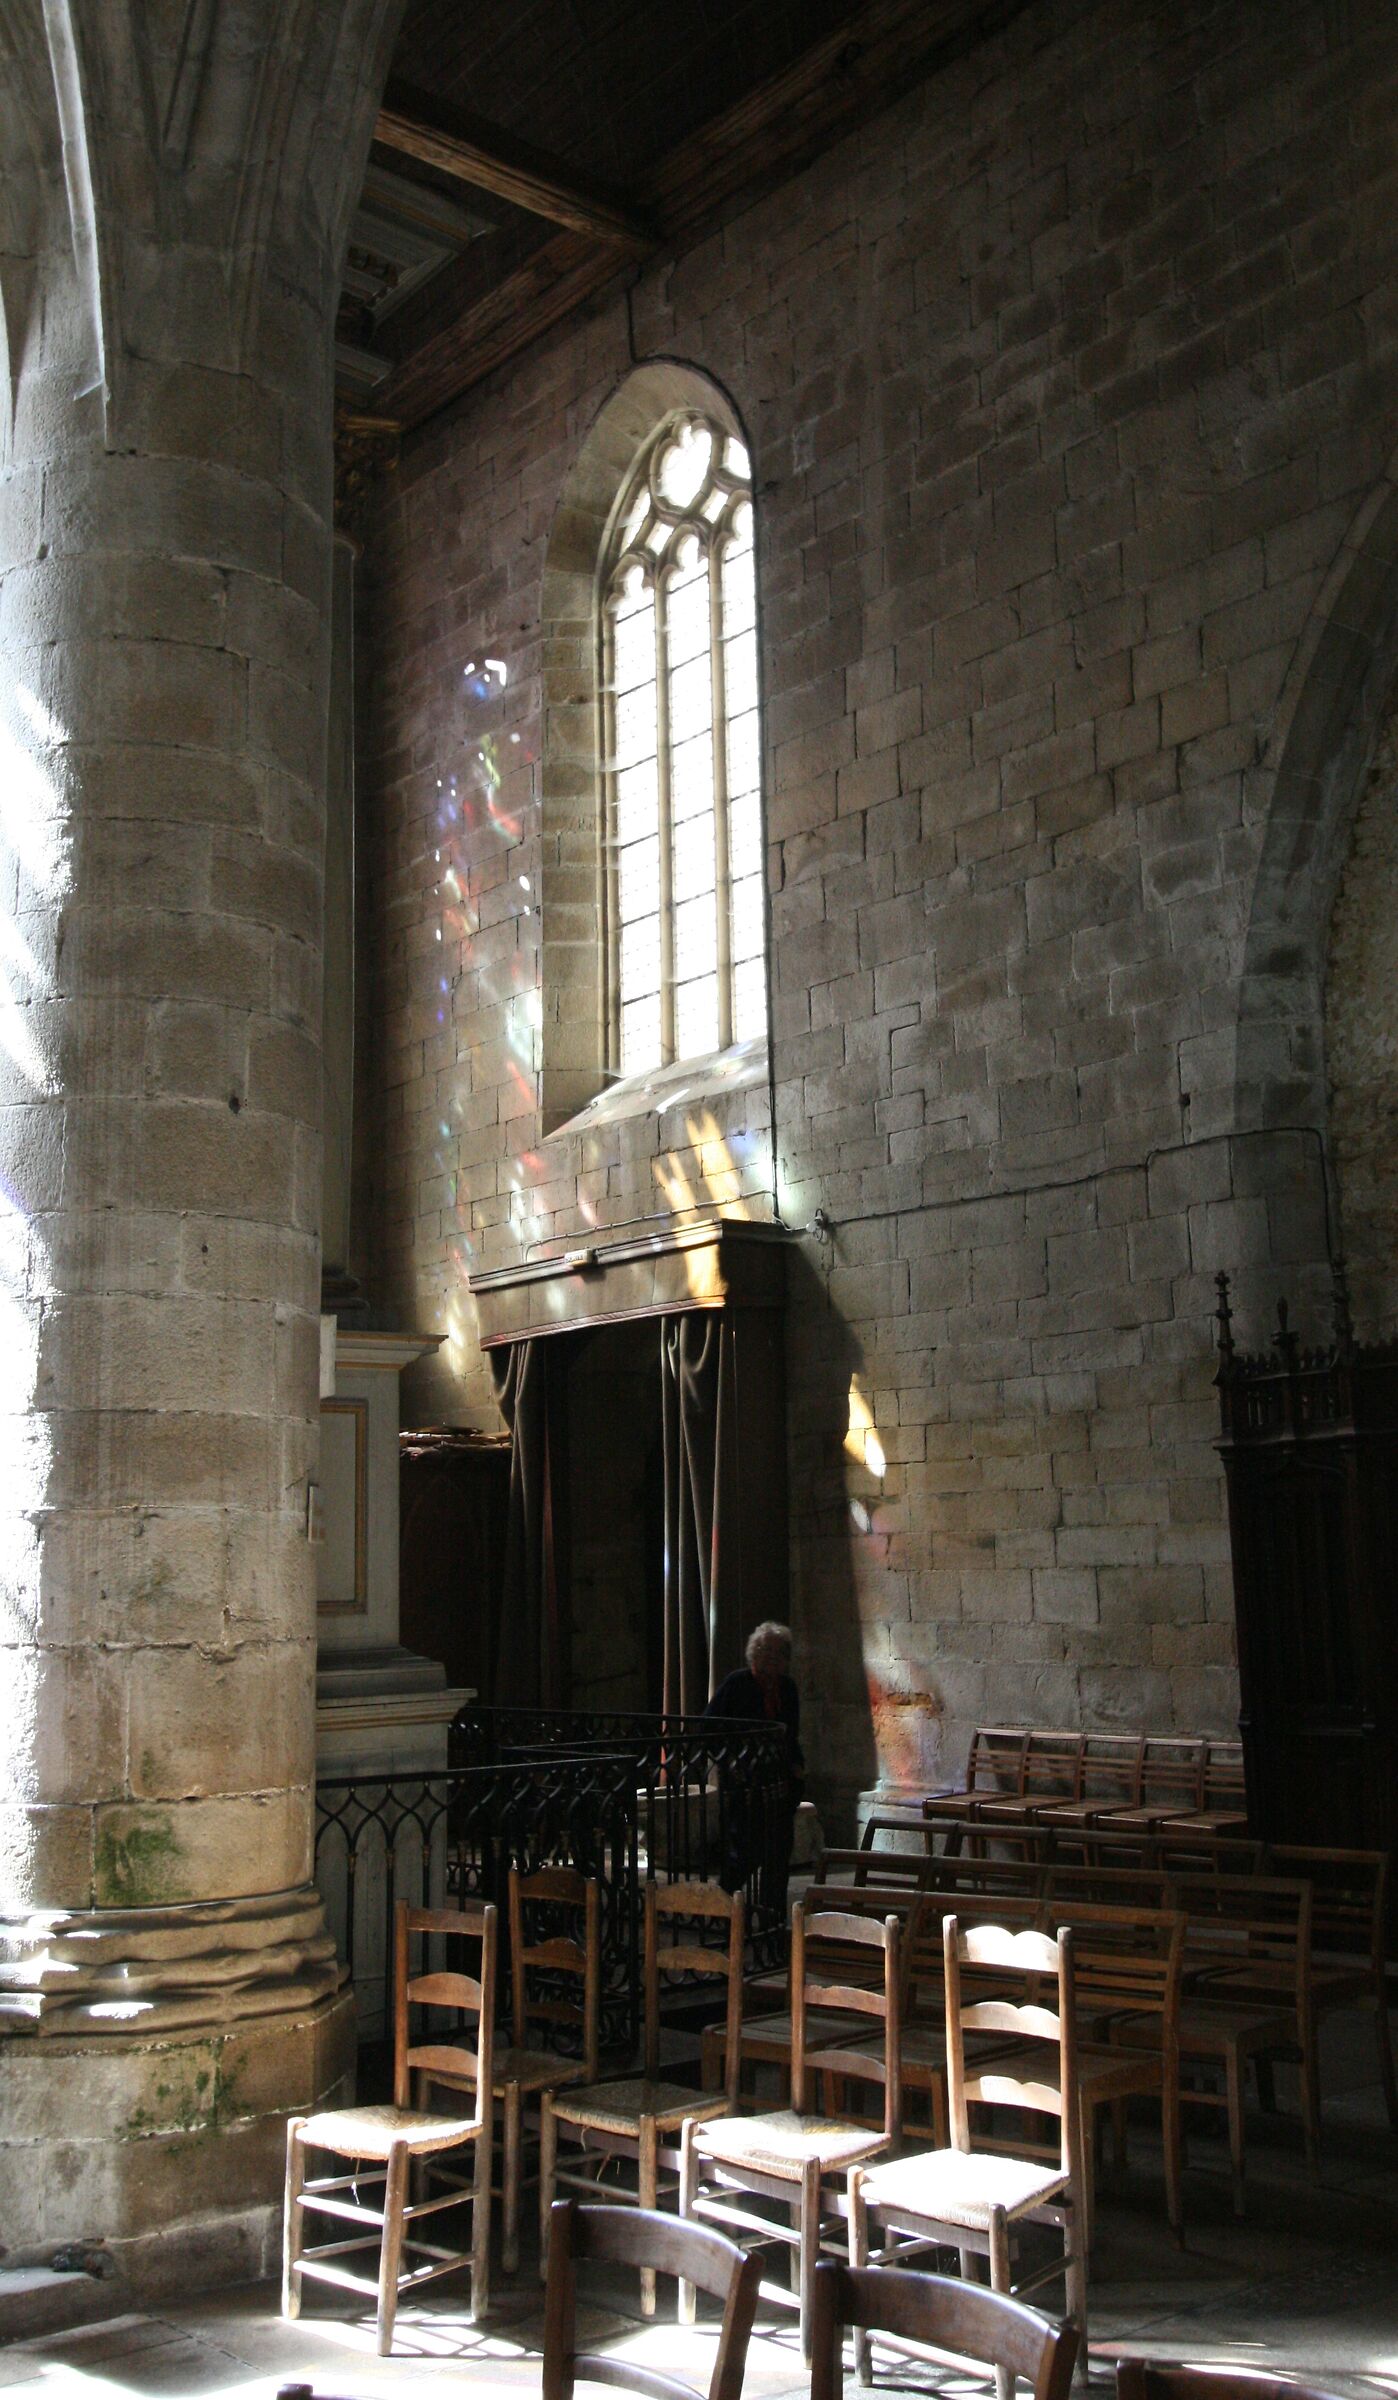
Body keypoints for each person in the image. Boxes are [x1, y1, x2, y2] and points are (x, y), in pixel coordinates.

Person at [703, 1622, 804, 1900]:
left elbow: (790, 1734)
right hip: (744, 1787)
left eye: (778, 1652)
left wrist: (797, 1767)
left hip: (779, 1787)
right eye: (765, 1650)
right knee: (743, 1855)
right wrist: (731, 1761)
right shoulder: (737, 1684)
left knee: (778, 1856)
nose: (772, 1656)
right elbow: (707, 1727)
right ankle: (722, 1909)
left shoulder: (787, 1688)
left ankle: (771, 1920)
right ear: (754, 1653)